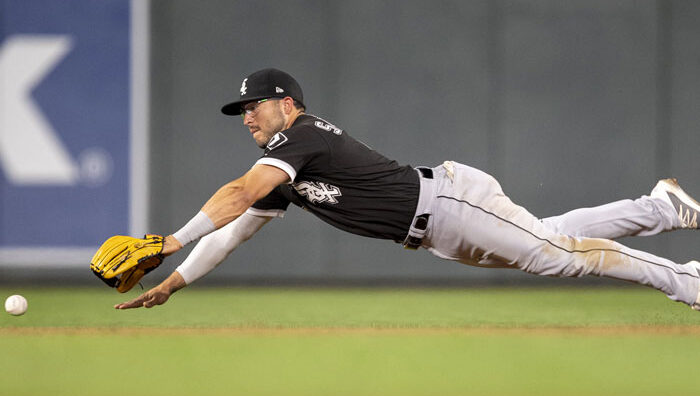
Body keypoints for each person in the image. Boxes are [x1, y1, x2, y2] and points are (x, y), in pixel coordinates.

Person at [114, 68, 700, 311]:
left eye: (255, 105)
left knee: (560, 257)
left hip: (449, 204)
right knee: (551, 238)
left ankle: (689, 282)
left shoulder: (301, 135)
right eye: (242, 110)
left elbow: (239, 193)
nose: (247, 116)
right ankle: (660, 207)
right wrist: (173, 282)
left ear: (287, 105)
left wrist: (171, 240)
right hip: (441, 230)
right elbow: (234, 230)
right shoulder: (283, 169)